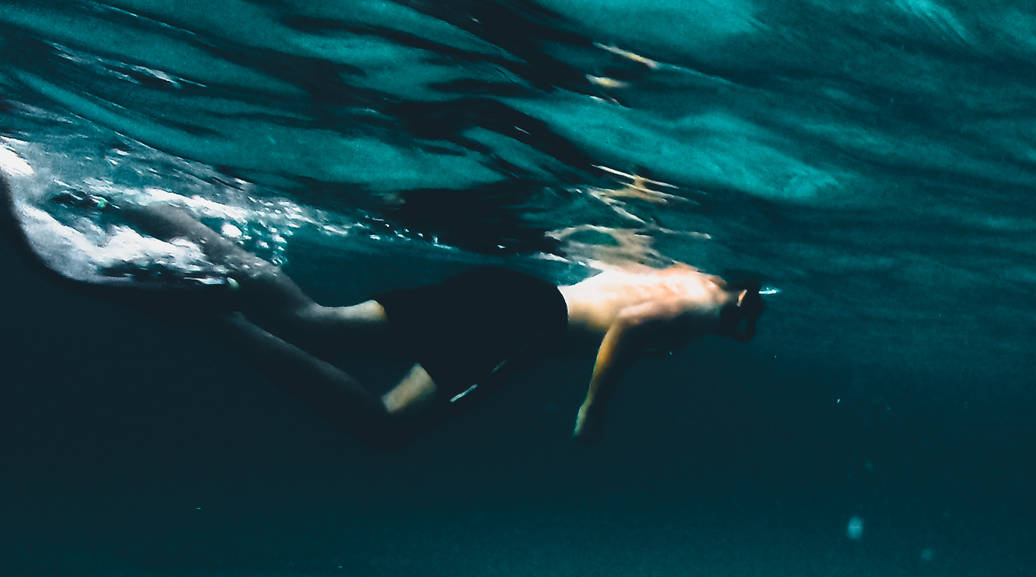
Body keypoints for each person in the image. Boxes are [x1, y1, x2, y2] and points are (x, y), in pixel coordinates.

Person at [0, 166, 764, 448]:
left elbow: (628, 293)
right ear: (742, 291)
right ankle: (212, 316)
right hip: (528, 323)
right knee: (382, 426)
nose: (746, 329)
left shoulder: (681, 269)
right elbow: (630, 326)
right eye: (750, 315)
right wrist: (595, 409)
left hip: (511, 294)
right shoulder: (701, 302)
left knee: (317, 323)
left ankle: (164, 218)